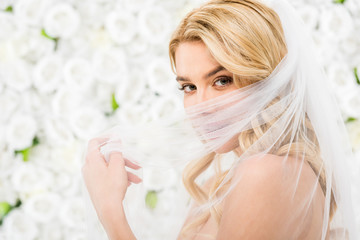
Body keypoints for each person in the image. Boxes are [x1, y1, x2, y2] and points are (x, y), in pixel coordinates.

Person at [82, 0, 357, 239]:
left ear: (266, 79)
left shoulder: (266, 172)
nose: (202, 106)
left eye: (222, 81)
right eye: (188, 87)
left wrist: (110, 211)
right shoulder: (215, 186)